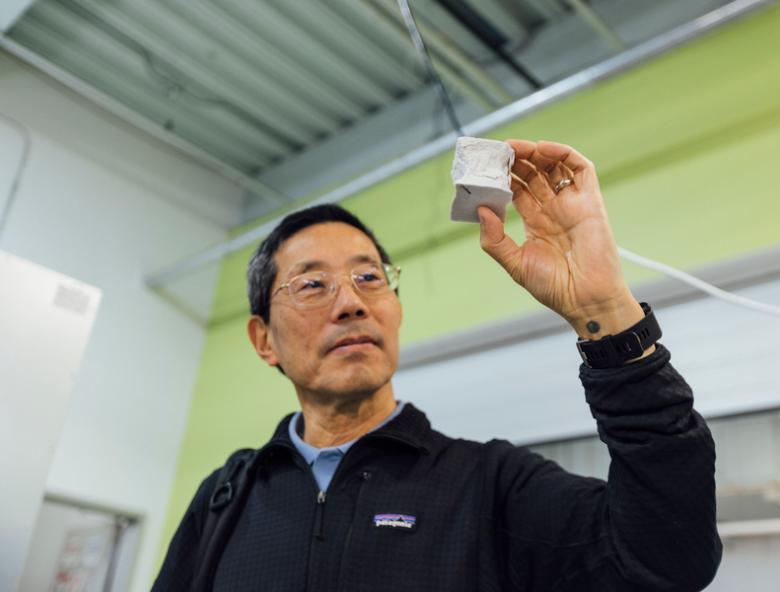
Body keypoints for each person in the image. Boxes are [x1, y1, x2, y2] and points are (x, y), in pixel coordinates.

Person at [154, 140, 722, 591]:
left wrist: (605, 312)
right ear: (264, 340)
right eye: (311, 284)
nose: (350, 301)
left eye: (369, 277)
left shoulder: (489, 484)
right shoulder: (226, 496)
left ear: (394, 308)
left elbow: (667, 562)